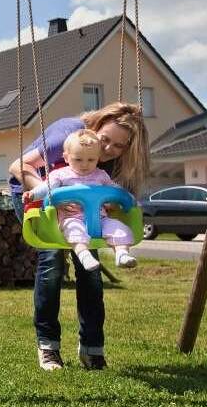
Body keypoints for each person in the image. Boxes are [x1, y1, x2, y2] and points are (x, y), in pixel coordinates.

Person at [8, 102, 149, 371]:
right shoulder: (68, 134)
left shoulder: (113, 161)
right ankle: (48, 347)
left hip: (83, 204)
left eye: (119, 146)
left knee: (90, 270)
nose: (108, 149)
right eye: (105, 139)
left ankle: (92, 349)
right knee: (51, 261)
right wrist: (55, 198)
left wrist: (112, 204)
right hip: (33, 189)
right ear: (97, 125)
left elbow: (113, 196)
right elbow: (18, 166)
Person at [22, 129, 137, 271]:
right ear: (66, 157)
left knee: (118, 228)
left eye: (91, 160)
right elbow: (47, 187)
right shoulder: (61, 175)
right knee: (75, 231)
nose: (85, 164)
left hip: (100, 218)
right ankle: (84, 256)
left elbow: (116, 190)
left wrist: (128, 197)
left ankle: (122, 254)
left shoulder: (101, 175)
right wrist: (33, 194)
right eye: (78, 159)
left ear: (98, 158)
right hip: (71, 217)